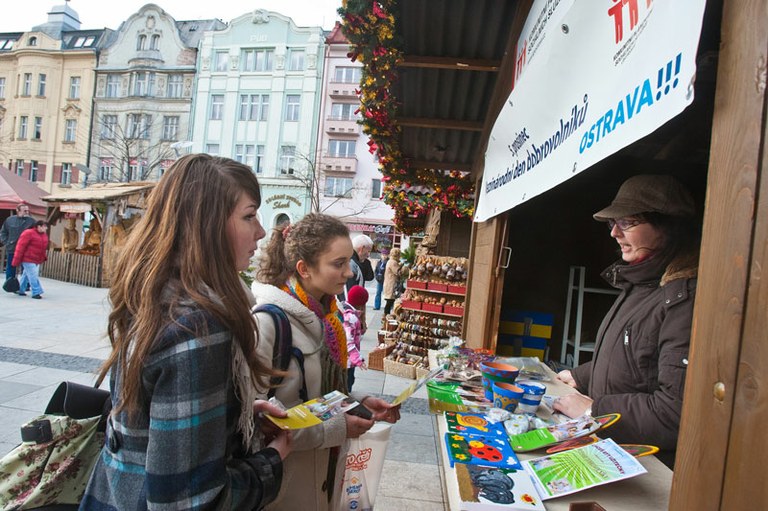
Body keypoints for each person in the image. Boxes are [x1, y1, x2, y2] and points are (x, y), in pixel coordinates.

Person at [81, 154, 291, 510]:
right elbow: (190, 502)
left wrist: (228, 411)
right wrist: (272, 460)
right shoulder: (198, 327)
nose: (260, 231)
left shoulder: (159, 294)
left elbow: (147, 418)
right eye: (249, 215)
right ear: (206, 225)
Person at [253, 213, 400, 511]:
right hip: (283, 490)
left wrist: (357, 401)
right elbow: (256, 423)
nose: (349, 272)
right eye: (338, 263)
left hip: (324, 478)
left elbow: (318, 396)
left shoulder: (327, 318)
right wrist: (336, 428)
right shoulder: (268, 323)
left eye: (349, 261)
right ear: (304, 268)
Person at [554, 174, 700, 467]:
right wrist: (581, 376)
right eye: (612, 223)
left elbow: (674, 412)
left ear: (667, 226)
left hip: (647, 464)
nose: (614, 234)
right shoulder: (644, 282)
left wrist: (596, 410)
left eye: (628, 222)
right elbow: (636, 362)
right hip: (613, 446)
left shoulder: (683, 297)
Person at [12, 220, 48, 299]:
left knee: (26, 275)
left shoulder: (44, 235)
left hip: (37, 258)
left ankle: (21, 290)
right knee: (33, 275)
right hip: (27, 258)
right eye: (44, 226)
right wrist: (16, 260)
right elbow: (20, 247)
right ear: (39, 226)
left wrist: (43, 257)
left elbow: (43, 248)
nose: (46, 228)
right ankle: (36, 292)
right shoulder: (28, 233)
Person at [1, 203, 35, 285]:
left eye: (27, 210)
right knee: (11, 267)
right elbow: (3, 232)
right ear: (18, 210)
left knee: (26, 268)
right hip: (12, 247)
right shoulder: (10, 220)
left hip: (26, 249)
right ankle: (9, 284)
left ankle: (25, 285)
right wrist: (6, 242)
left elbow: (37, 234)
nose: (27, 212)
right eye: (24, 210)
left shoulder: (32, 221)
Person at [343, 284, 369, 391]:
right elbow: (348, 341)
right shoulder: (351, 318)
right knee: (347, 384)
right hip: (347, 362)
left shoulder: (350, 314)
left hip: (348, 361)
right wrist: (358, 360)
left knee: (350, 381)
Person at [382, 247, 402, 315]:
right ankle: (386, 316)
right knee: (390, 302)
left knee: (389, 302)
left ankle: (386, 316)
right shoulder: (393, 262)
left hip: (389, 284)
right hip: (392, 285)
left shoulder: (390, 261)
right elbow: (398, 272)